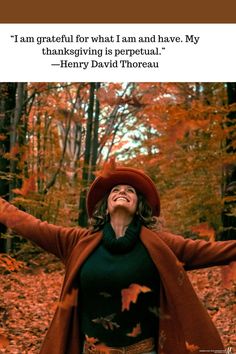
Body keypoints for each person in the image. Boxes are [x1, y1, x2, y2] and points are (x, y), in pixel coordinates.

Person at [0, 164, 235, 354]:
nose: (122, 191)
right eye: (116, 190)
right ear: (105, 205)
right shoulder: (75, 241)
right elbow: (28, 225)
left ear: (139, 205)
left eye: (130, 190)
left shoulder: (162, 243)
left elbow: (214, 250)